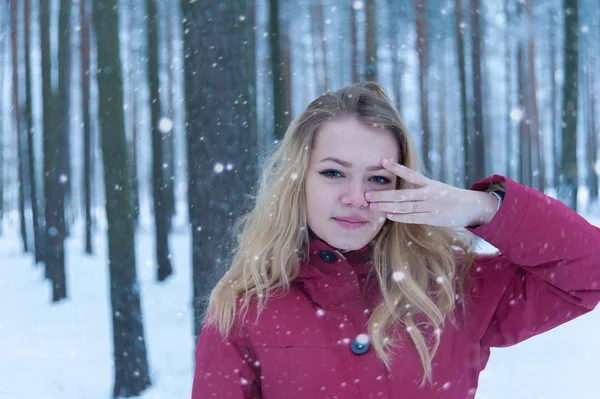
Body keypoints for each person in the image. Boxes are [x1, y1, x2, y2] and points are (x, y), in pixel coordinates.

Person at [191, 82, 600, 398]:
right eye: (333, 173)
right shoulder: (244, 310)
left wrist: (481, 208)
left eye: (378, 178)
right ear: (298, 180)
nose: (355, 197)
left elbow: (590, 270)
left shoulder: (452, 286)